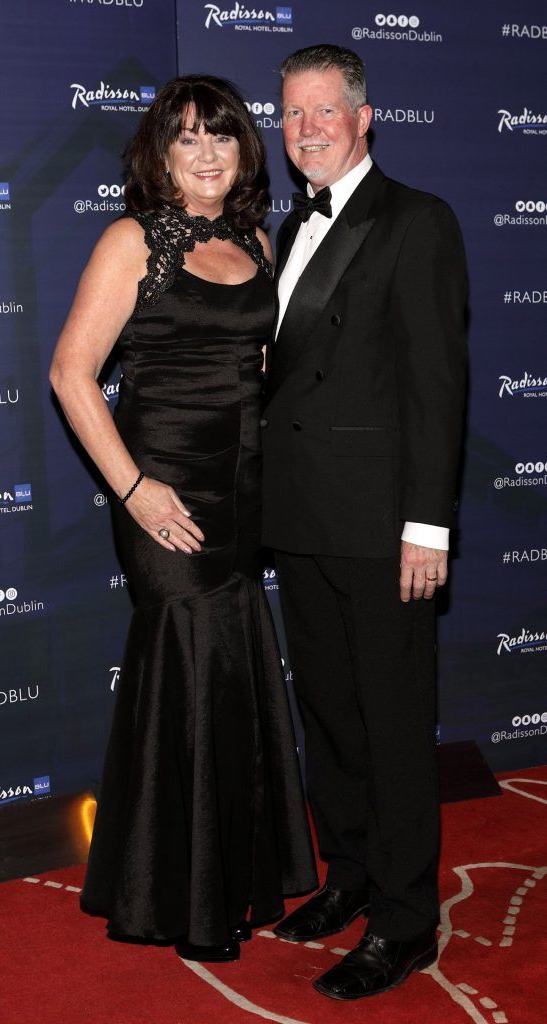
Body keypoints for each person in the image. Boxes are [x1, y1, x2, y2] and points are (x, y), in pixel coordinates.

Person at [49, 74, 317, 965]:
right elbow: (71, 373)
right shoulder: (135, 239)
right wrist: (134, 489)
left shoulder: (255, 240)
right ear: (159, 153)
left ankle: (229, 878)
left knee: (231, 675)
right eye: (186, 138)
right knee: (189, 670)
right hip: (164, 491)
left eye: (222, 136)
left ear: (246, 149)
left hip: (244, 491)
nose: (205, 153)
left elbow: (277, 369)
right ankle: (180, 895)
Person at [261, 44, 467, 1000]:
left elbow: (436, 386)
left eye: (323, 112)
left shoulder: (415, 222)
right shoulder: (278, 226)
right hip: (299, 517)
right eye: (291, 115)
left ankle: (404, 921)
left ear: (364, 116)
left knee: (388, 729)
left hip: (383, 528)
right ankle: (346, 876)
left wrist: (427, 525)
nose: (306, 130)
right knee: (331, 721)